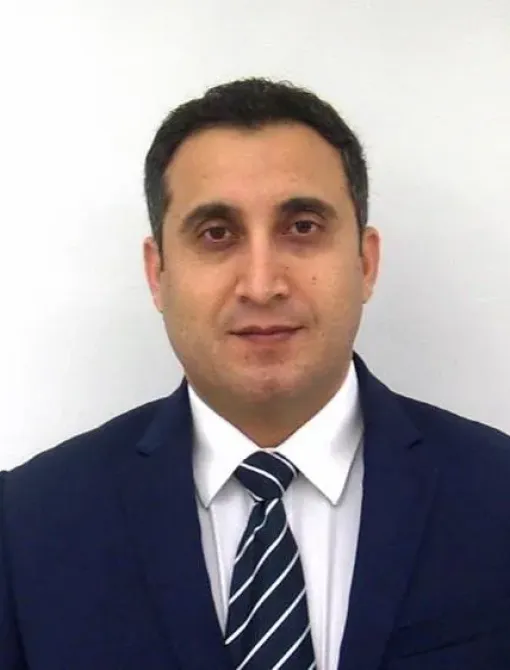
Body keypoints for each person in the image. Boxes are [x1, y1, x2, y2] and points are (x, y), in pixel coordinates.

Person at [1, 78, 509, 670]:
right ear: (158, 274)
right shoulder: (26, 526)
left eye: (302, 227)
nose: (262, 285)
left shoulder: (497, 496)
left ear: (366, 263)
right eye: (216, 234)